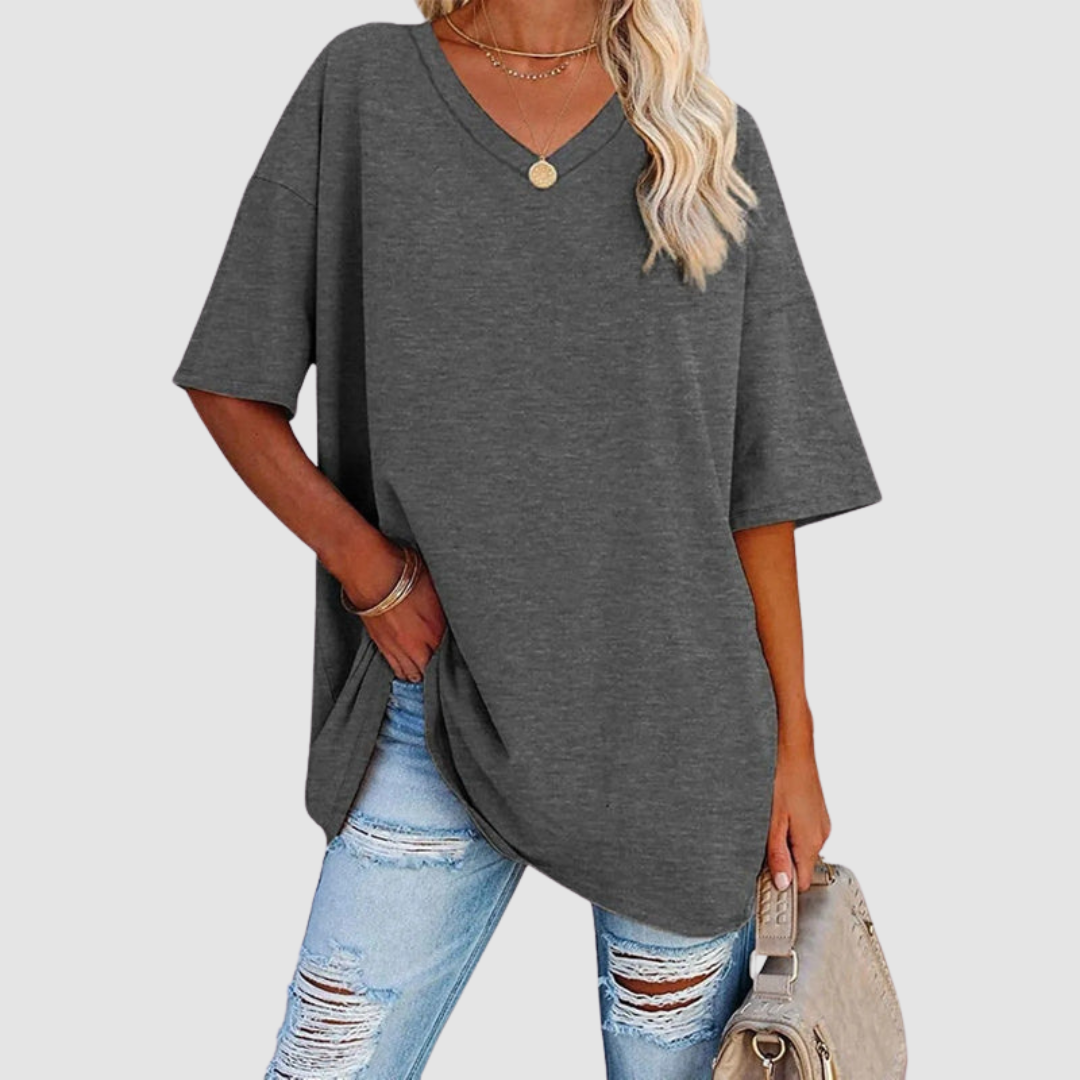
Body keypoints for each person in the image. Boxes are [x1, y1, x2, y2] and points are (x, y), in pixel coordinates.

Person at [171, 1, 882, 1077]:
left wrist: (796, 743)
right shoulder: (365, 87)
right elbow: (231, 378)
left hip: (682, 742)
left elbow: (759, 484)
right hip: (437, 709)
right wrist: (368, 570)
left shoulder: (704, 139)